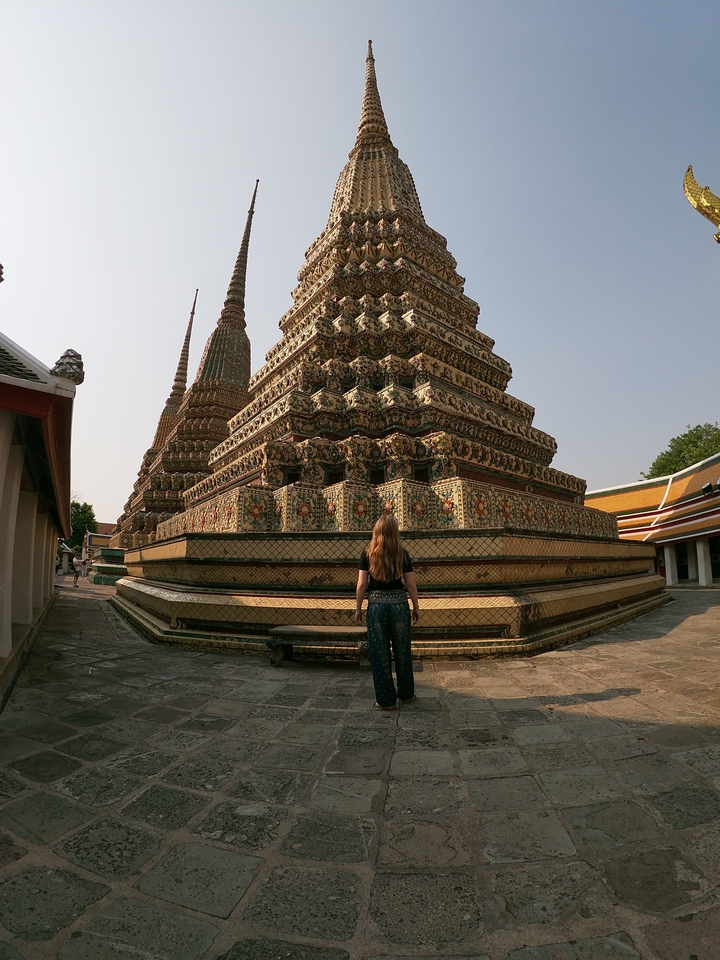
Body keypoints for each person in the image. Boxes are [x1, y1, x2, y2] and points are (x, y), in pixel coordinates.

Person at [355, 513, 420, 710]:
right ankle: (407, 694)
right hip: (399, 606)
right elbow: (410, 584)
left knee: (379, 653)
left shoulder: (368, 554)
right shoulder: (403, 554)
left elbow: (362, 584)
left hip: (376, 607)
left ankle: (385, 700)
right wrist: (416, 606)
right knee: (402, 651)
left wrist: (358, 608)